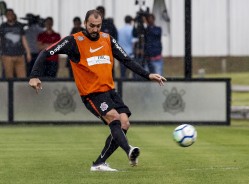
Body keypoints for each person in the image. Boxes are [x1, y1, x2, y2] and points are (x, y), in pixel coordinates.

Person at [29, 9, 166, 172]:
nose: (95, 29)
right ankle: (129, 150)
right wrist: (34, 75)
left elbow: (126, 60)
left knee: (124, 123)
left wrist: (148, 74)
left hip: (109, 91)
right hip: (91, 94)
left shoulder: (107, 39)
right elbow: (46, 52)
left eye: (98, 26)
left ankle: (99, 163)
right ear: (85, 24)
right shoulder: (74, 41)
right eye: (92, 26)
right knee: (114, 118)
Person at [0, 8, 31, 78]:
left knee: (22, 77)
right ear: (6, 16)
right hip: (7, 56)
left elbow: (24, 39)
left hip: (20, 55)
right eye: (8, 14)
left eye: (11, 14)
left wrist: (28, 52)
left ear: (14, 15)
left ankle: (20, 89)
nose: (10, 15)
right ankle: (10, 89)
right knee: (9, 77)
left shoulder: (19, 25)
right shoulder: (2, 26)